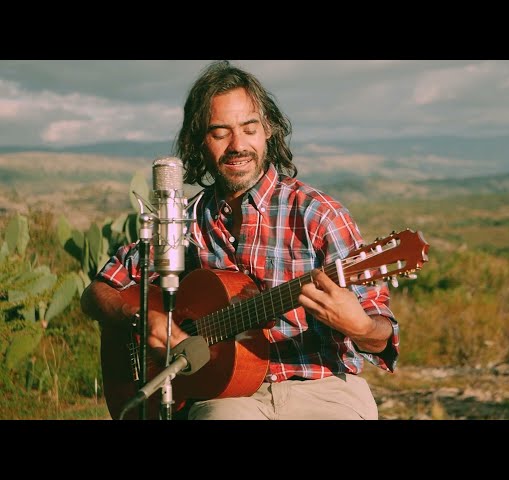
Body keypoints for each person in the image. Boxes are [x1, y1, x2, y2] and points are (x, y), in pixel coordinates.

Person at [81, 60, 399, 420]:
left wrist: (360, 328)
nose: (238, 145)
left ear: (269, 131)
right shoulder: (183, 222)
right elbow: (98, 292)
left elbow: (381, 333)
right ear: (199, 141)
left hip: (322, 386)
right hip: (225, 395)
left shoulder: (319, 215)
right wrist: (143, 318)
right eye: (220, 132)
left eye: (249, 129)